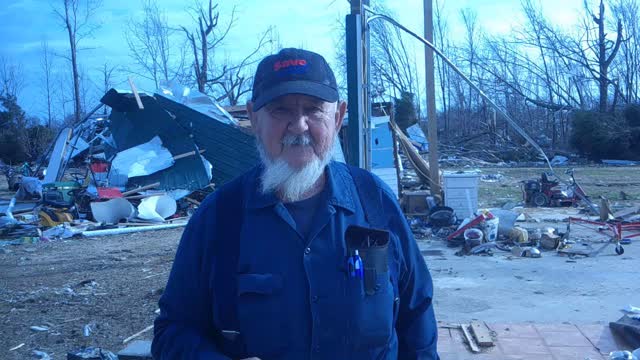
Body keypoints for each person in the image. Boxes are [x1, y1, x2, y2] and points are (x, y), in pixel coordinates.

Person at [152, 48, 439, 360]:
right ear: (253, 118)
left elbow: (416, 314)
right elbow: (172, 331)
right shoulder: (219, 218)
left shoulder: (374, 201)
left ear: (338, 116)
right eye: (280, 110)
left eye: (314, 109)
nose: (299, 125)